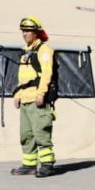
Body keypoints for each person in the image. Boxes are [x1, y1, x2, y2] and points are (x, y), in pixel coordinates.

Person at [10, 17, 56, 178]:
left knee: (41, 132)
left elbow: (46, 74)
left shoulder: (44, 50)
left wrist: (41, 93)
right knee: (26, 134)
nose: (25, 34)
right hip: (25, 98)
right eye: (23, 31)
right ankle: (29, 164)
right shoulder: (25, 51)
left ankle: (47, 165)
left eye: (28, 31)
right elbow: (22, 77)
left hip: (37, 97)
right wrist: (17, 94)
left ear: (36, 32)